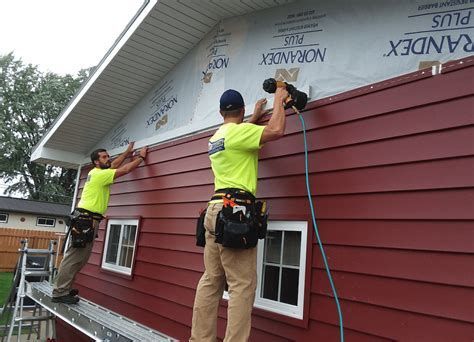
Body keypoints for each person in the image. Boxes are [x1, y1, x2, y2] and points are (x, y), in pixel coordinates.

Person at [190, 87, 289, 341]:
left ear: (221, 112)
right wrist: (279, 98)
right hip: (235, 211)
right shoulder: (239, 132)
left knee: (211, 280)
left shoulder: (215, 138)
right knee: (241, 285)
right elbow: (276, 130)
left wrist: (253, 118)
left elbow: (237, 136)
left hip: (214, 209)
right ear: (241, 110)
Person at [52, 142, 148, 304]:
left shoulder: (97, 172)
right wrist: (141, 157)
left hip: (87, 220)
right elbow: (124, 169)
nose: (108, 159)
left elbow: (115, 164)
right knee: (74, 258)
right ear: (97, 161)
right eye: (104, 157)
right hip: (85, 220)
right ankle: (59, 292)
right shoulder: (99, 175)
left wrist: (126, 152)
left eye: (107, 156)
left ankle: (65, 288)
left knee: (80, 258)